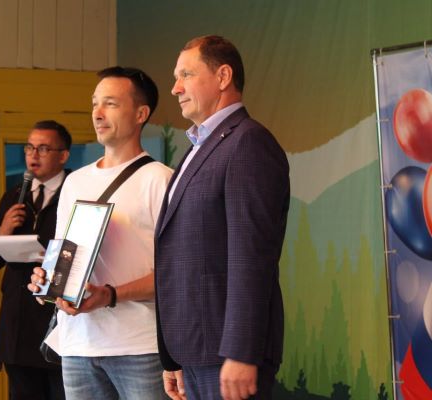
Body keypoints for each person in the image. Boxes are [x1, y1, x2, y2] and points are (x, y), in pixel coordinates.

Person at [154, 35, 290, 400]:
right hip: (195, 351)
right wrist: (173, 356)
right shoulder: (199, 148)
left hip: (227, 354)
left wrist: (241, 352)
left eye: (186, 75)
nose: (175, 88)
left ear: (223, 76)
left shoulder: (248, 143)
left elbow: (252, 256)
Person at [28, 66, 172, 400]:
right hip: (77, 345)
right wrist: (46, 282)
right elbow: (63, 255)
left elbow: (176, 274)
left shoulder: (160, 180)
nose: (97, 112)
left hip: (139, 347)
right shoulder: (75, 181)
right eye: (95, 103)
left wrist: (110, 295)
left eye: (110, 103)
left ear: (141, 114)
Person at [0, 120, 72, 400]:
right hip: (17, 322)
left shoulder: (75, 192)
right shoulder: (14, 196)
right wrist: (3, 231)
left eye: (43, 148)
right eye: (29, 148)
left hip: (55, 318)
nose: (34, 155)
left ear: (63, 155)